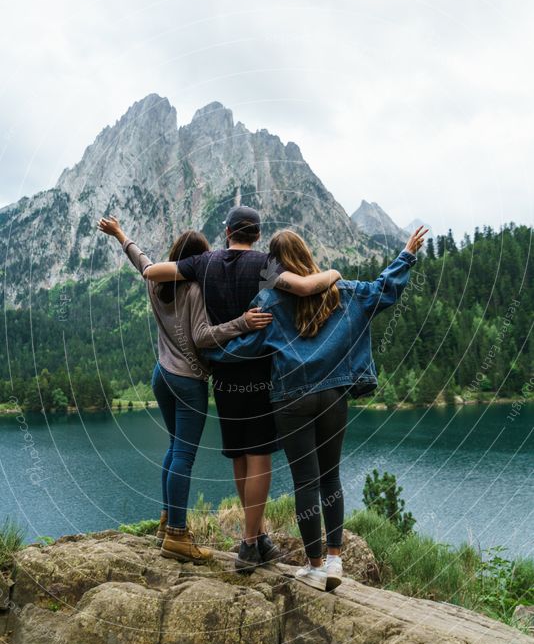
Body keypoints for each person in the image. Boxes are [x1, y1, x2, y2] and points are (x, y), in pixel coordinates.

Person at [207, 226, 428, 590]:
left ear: (276, 266)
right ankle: (335, 560)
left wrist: (205, 351)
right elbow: (383, 290)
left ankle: (313, 566)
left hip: (291, 400)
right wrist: (406, 254)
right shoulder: (342, 292)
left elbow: (243, 347)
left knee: (305, 483)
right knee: (331, 478)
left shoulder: (269, 302)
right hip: (334, 396)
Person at [142, 206, 341, 571]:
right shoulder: (265, 265)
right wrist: (334, 272)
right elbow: (306, 286)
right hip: (262, 374)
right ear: (257, 234)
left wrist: (143, 254)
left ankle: (256, 536)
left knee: (238, 455)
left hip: (224, 376)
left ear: (228, 230)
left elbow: (151, 271)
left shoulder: (204, 262)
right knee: (259, 454)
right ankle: (251, 542)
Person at [97, 216, 272, 564]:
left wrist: (120, 234)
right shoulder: (193, 290)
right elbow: (202, 337)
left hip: (161, 375)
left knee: (174, 448)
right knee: (184, 456)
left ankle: (166, 522)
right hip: (188, 381)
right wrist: (243, 323)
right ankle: (177, 534)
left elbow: (142, 261)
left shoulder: (155, 285)